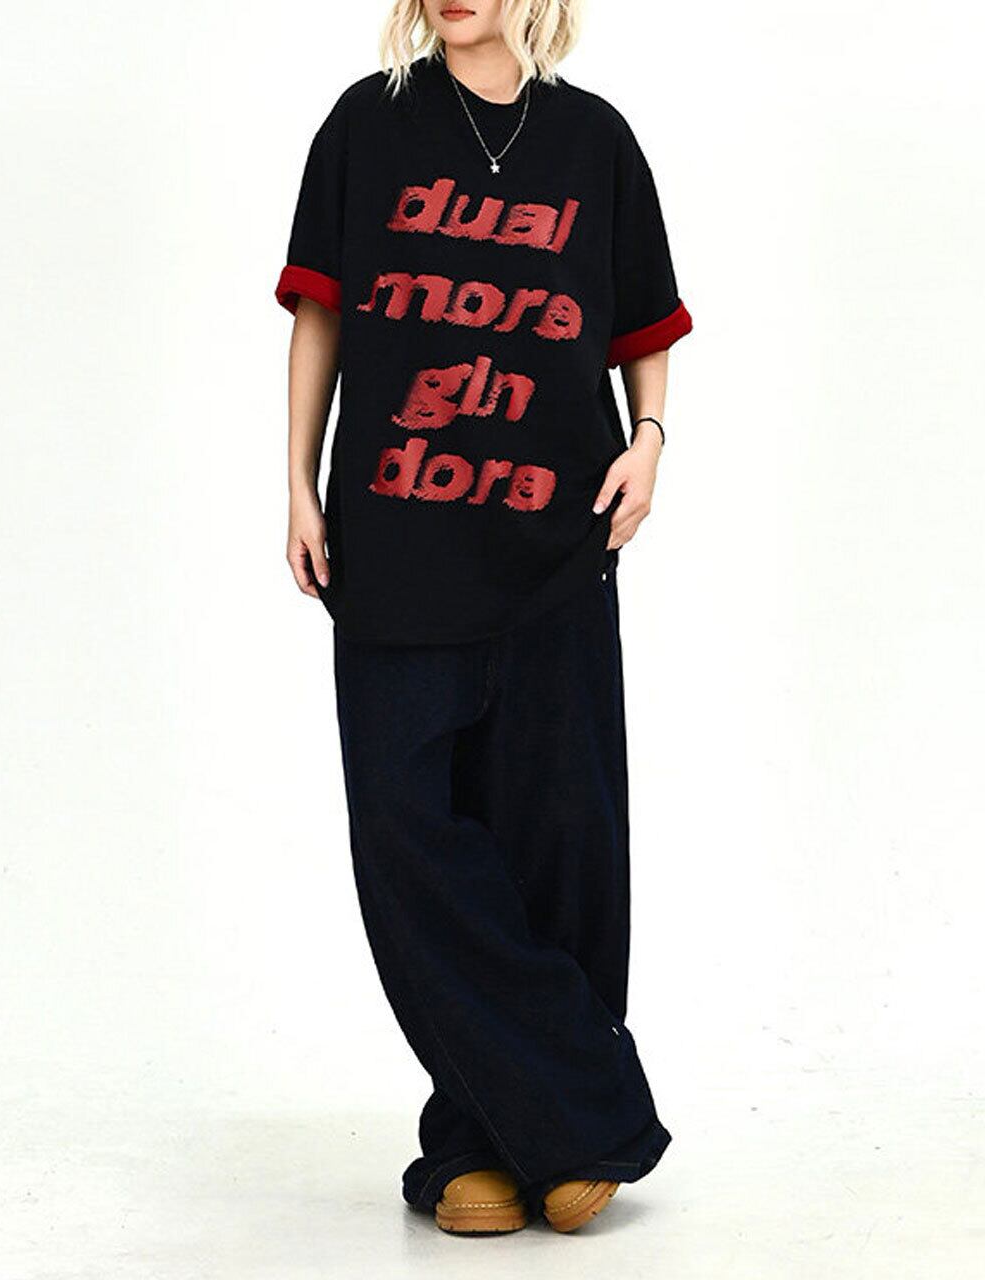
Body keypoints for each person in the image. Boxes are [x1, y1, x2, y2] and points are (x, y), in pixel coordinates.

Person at [275, 0, 692, 1236]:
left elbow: (643, 318)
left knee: (559, 840)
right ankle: (582, 1114)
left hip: (556, 542)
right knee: (407, 838)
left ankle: (488, 1144)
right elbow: (323, 315)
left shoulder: (596, 142)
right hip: (396, 538)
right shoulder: (365, 126)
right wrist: (296, 480)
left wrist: (650, 437)